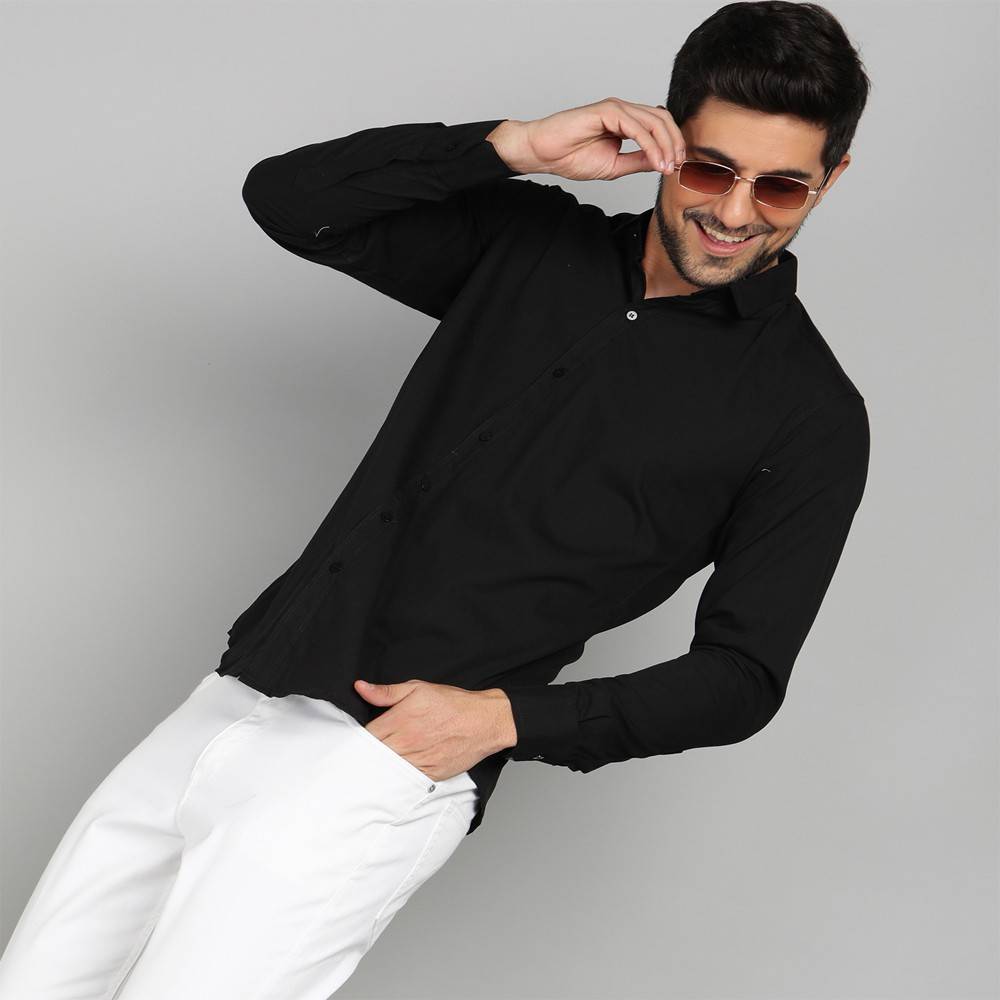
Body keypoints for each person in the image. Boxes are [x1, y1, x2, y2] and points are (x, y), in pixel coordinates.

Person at [0, 2, 873, 997]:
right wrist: (514, 146)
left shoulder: (806, 415)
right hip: (237, 694)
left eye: (782, 186)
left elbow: (741, 677)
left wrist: (505, 720)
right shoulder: (531, 245)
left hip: (374, 767)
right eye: (712, 170)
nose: (737, 212)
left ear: (830, 179)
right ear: (667, 142)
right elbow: (289, 200)